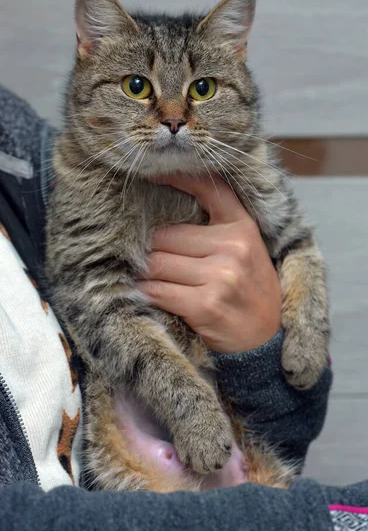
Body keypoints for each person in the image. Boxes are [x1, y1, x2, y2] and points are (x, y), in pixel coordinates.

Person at [0, 84, 366, 531]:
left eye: (202, 89)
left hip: (242, 467)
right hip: (132, 471)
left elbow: (285, 425)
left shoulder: (16, 145)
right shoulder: (75, 165)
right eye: (139, 88)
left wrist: (261, 350)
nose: (173, 115)